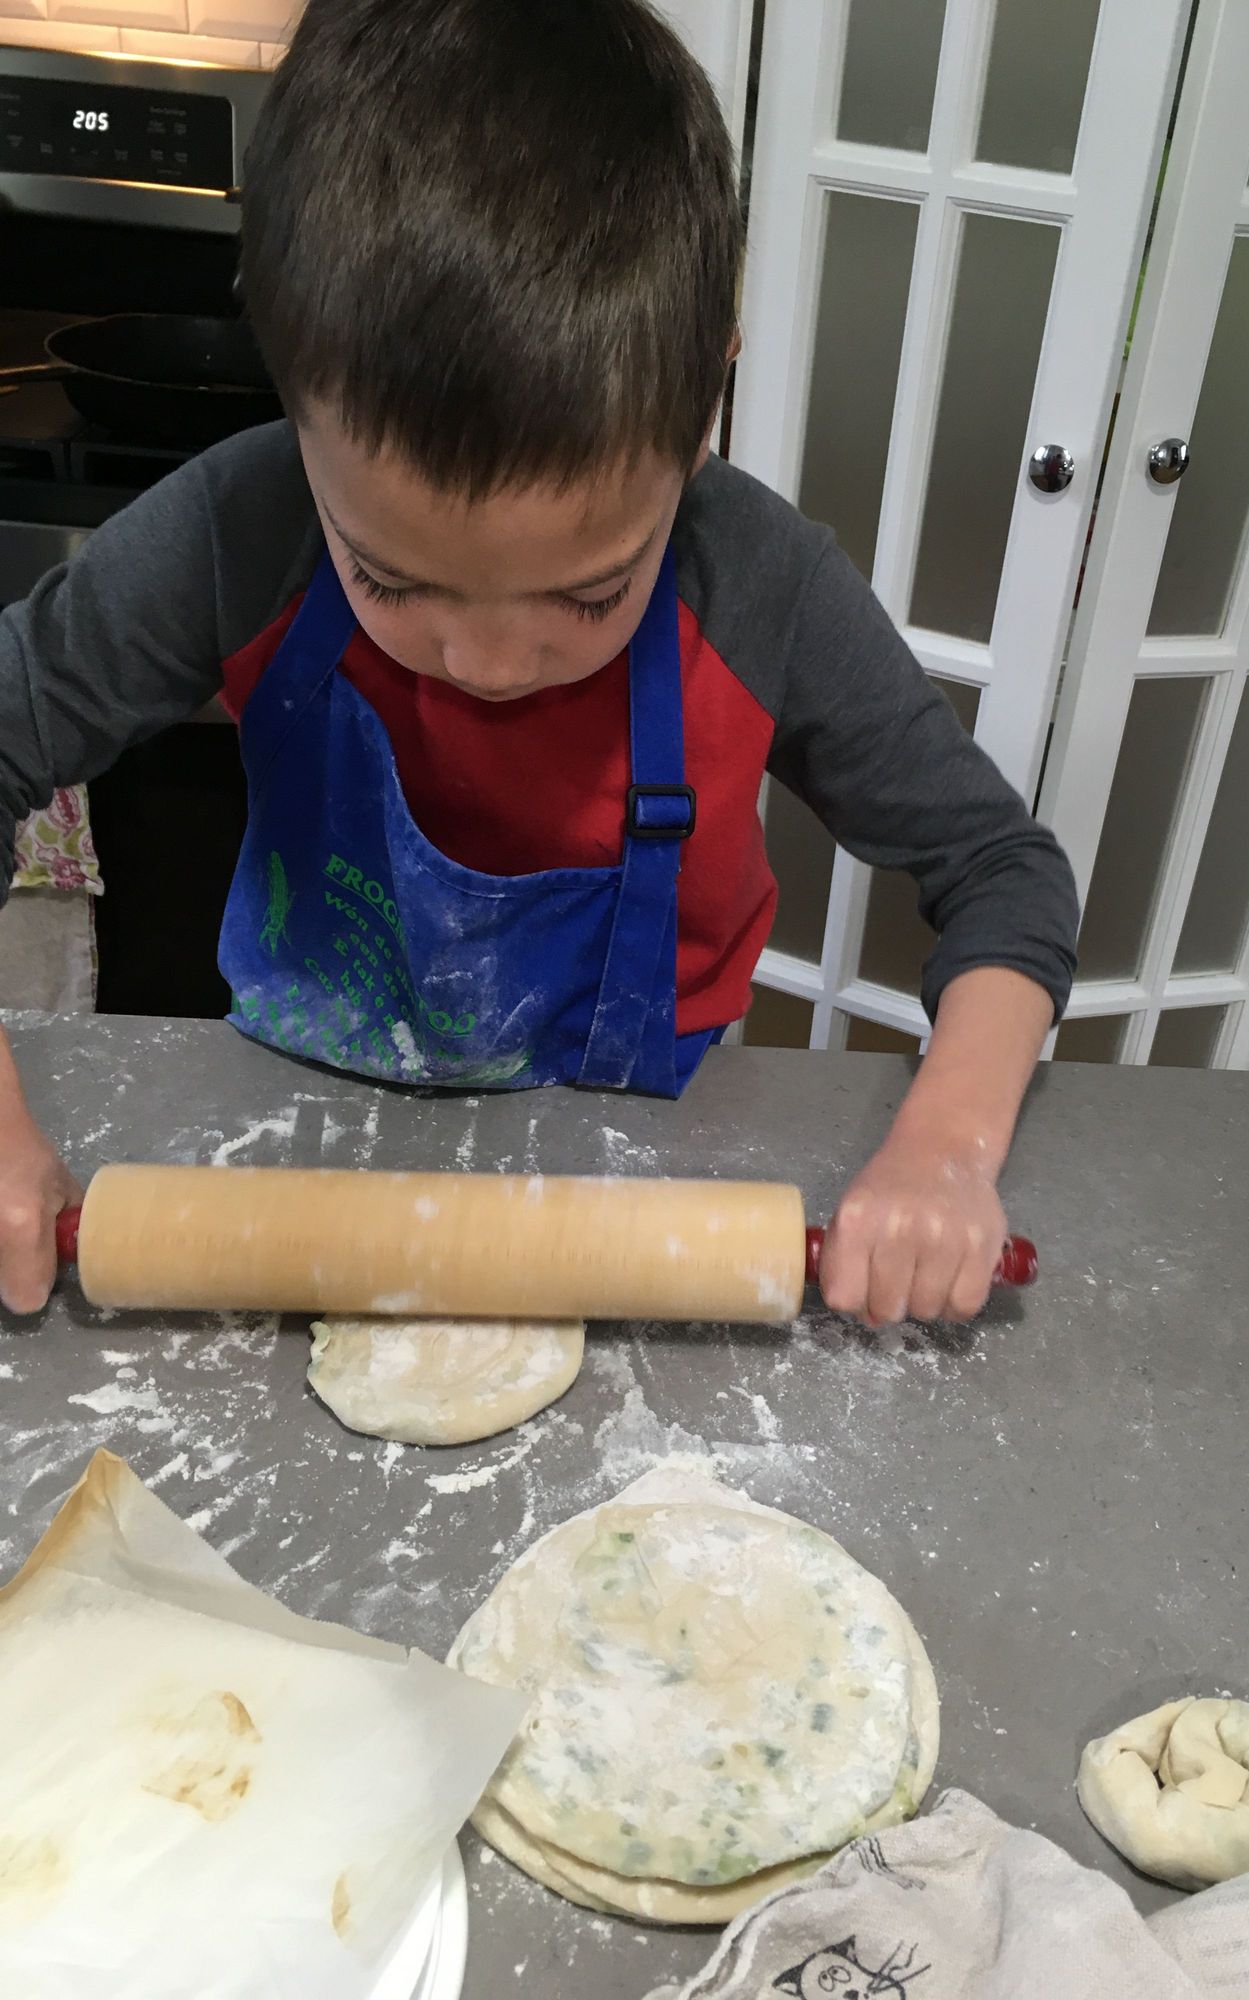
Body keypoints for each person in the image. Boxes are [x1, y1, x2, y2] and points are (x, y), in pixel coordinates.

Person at [0, 0, 1077, 1329]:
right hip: (296, 1146)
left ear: (706, 402)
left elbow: (1005, 875)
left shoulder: (762, 591)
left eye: (588, 591)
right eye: (391, 579)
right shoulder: (240, 533)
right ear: (292, 397)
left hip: (648, 1164)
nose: (489, 661)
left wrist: (945, 1150)